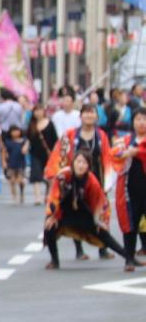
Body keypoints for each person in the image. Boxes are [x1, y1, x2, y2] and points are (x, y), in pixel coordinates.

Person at [46, 102, 116, 260]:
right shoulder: (70, 135)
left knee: (102, 212)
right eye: (86, 112)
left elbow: (107, 157)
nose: (89, 115)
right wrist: (57, 175)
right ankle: (79, 250)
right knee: (76, 212)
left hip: (96, 180)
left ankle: (103, 248)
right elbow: (61, 155)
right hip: (75, 181)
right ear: (80, 115)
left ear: (97, 117)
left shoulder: (101, 136)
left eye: (92, 113)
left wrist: (108, 181)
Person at [43, 150, 128, 270]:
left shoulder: (92, 181)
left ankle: (129, 258)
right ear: (73, 163)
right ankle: (54, 261)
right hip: (63, 212)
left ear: (88, 166)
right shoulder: (63, 175)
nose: (81, 165)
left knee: (103, 234)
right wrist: (52, 215)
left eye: (84, 162)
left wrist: (101, 221)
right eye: (78, 161)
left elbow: (100, 203)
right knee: (49, 227)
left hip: (84, 213)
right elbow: (53, 197)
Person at [112, 109, 146, 271]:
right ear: (133, 122)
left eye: (144, 119)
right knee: (130, 225)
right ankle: (129, 259)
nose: (141, 122)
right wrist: (127, 153)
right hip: (130, 190)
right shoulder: (125, 141)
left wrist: (138, 152)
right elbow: (114, 154)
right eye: (138, 119)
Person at [26, 104, 56, 205]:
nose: (38, 113)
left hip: (48, 154)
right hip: (35, 153)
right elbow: (28, 138)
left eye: (40, 110)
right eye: (36, 111)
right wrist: (26, 146)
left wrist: (55, 152)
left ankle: (48, 195)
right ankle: (37, 197)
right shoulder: (31, 124)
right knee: (36, 175)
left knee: (49, 176)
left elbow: (55, 139)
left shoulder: (50, 123)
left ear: (44, 111)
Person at [3, 125, 29, 204]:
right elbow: (4, 152)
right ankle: (14, 195)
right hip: (11, 163)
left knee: (20, 180)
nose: (15, 133)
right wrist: (3, 161)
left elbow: (25, 151)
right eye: (13, 131)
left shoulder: (24, 141)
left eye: (17, 131)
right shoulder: (8, 141)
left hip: (21, 163)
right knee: (12, 180)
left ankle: (21, 193)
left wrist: (26, 145)